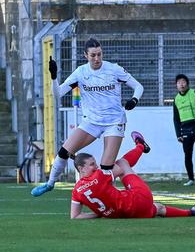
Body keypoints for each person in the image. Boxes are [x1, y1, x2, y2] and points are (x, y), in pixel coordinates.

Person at [32, 37, 144, 197]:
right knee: (63, 152)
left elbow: (138, 86)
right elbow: (58, 94)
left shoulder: (114, 69)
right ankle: (50, 183)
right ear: (86, 55)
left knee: (105, 169)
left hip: (114, 122)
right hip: (91, 122)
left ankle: (119, 182)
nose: (97, 58)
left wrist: (134, 100)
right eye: (93, 55)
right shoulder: (81, 73)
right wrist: (54, 77)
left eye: (99, 54)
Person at [70, 131, 195, 219]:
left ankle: (191, 212)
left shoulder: (76, 191)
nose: (96, 166)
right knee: (121, 162)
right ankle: (140, 146)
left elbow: (75, 216)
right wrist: (107, 169)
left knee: (159, 208)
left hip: (125, 214)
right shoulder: (99, 176)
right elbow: (119, 170)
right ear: (81, 168)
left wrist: (99, 214)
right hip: (138, 198)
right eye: (92, 164)